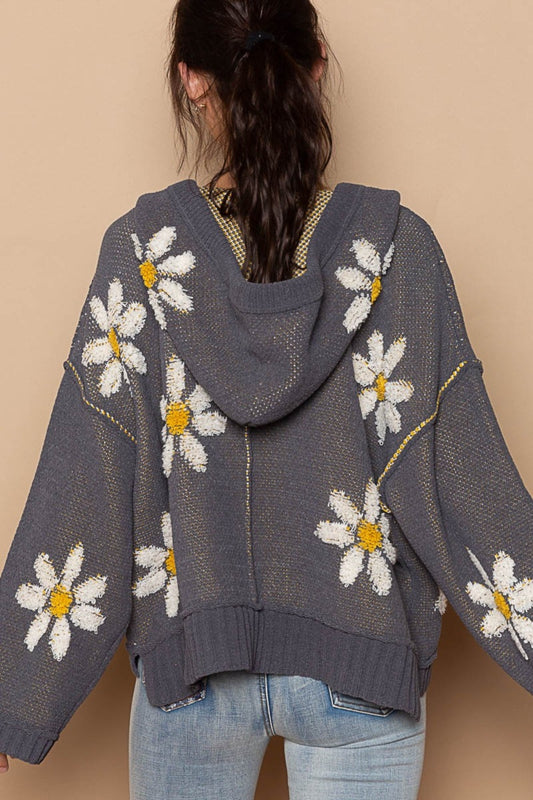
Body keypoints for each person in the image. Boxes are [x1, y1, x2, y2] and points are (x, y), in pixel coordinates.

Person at [1, 2, 532, 798]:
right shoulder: (394, 251)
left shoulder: (143, 256)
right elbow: (466, 485)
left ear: (191, 80)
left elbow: (88, 482)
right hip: (361, 669)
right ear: (314, 66)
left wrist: (12, 695)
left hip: (193, 672)